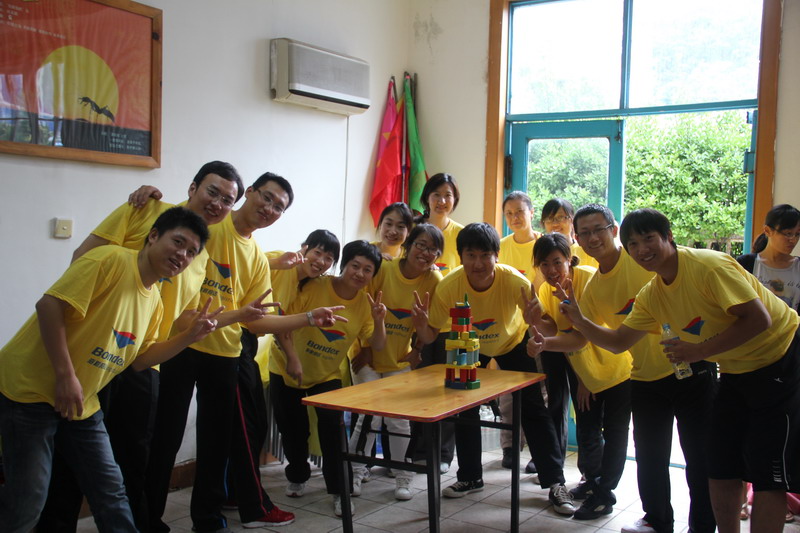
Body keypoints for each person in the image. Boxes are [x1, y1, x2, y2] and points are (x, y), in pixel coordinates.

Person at [557, 208, 800, 533]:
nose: (642, 249)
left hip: (779, 358)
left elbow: (759, 319)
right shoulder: (652, 294)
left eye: (649, 238)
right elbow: (618, 341)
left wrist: (699, 351)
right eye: (634, 244)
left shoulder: (707, 266)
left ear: (668, 237)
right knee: (720, 465)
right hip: (734, 369)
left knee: (767, 472)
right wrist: (579, 321)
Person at [37, 160, 245, 533]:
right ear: (193, 187)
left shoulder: (199, 258)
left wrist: (225, 319)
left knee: (134, 459)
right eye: (212, 191)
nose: (217, 203)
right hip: (94, 354)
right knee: (70, 456)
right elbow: (82, 259)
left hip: (142, 363)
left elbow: (178, 317)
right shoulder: (145, 209)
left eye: (227, 200)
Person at [144, 173, 346, 533]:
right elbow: (170, 219)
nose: (269, 209)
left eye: (278, 207)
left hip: (225, 354)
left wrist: (309, 318)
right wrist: (147, 195)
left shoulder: (255, 257)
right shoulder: (209, 224)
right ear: (248, 193)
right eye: (266, 198)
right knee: (164, 437)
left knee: (216, 444)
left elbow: (257, 322)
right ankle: (147, 520)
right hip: (179, 343)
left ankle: (208, 519)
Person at [0, 208, 218, 533]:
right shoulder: (111, 260)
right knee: (28, 500)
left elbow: (141, 360)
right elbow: (49, 305)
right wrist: (65, 376)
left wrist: (189, 337)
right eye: (178, 242)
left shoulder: (154, 302)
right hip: (30, 391)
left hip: (82, 404)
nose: (182, 255)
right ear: (153, 236)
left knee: (111, 490)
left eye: (191, 252)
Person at [566, 204, 716, 533]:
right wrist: (544, 340)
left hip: (691, 366)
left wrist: (702, 347)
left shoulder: (644, 261)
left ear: (613, 229)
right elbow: (586, 337)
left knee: (699, 457)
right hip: (645, 377)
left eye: (598, 229)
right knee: (650, 457)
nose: (593, 238)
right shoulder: (594, 288)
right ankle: (657, 520)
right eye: (585, 233)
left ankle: (703, 526)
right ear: (577, 239)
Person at [413, 222, 576, 516]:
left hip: (512, 342)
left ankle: (555, 482)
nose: (478, 263)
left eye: (485, 255)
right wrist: (422, 326)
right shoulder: (449, 285)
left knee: (534, 409)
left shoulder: (515, 282)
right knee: (464, 408)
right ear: (461, 256)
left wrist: (535, 320)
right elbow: (429, 335)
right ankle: (470, 477)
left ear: (496, 255)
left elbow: (549, 328)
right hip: (467, 342)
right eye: (470, 255)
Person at [270, 240, 387, 517]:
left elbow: (378, 344)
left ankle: (339, 492)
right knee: (293, 430)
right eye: (355, 265)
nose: (359, 273)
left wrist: (379, 319)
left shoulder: (364, 303)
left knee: (333, 434)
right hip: (285, 367)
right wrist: (292, 359)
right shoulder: (315, 286)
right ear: (343, 264)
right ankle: (297, 475)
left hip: (327, 375)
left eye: (367, 269)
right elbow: (283, 323)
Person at [525, 232, 632, 520]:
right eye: (544, 264)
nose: (551, 270)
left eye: (557, 262)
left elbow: (583, 334)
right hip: (585, 371)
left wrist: (583, 378)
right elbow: (556, 331)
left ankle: (604, 494)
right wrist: (535, 321)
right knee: (588, 432)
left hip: (615, 369)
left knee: (614, 433)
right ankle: (592, 483)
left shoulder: (587, 279)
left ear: (569, 259)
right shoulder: (546, 291)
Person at [348, 223, 444, 501]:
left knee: (399, 421)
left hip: (399, 359)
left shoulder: (433, 280)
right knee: (368, 417)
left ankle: (403, 476)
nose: (425, 253)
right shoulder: (385, 269)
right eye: (421, 245)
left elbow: (430, 326)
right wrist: (367, 348)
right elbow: (362, 307)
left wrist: (418, 348)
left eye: (433, 250)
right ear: (408, 245)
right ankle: (356, 472)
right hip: (365, 357)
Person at [737, 203, 800, 524]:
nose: (792, 240)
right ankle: (743, 499)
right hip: (749, 361)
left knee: (778, 441)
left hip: (788, 362)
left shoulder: (799, 268)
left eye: (797, 234)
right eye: (786, 233)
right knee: (742, 435)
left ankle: (780, 499)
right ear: (768, 231)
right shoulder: (747, 264)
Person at [497, 190, 541, 473]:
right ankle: (509, 447)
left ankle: (539, 451)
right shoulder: (501, 247)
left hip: (539, 327)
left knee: (540, 393)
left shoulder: (543, 245)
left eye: (519, 212)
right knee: (508, 393)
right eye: (509, 213)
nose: (514, 218)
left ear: (531, 213)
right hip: (509, 331)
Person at [414, 172, 463, 276]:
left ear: (455, 199)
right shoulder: (411, 228)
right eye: (436, 194)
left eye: (448, 195)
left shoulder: (462, 234)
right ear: (427, 197)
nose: (442, 201)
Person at [540, 197, 599, 270]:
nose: (555, 224)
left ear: (572, 220)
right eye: (549, 218)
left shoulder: (586, 250)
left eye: (560, 217)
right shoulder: (540, 253)